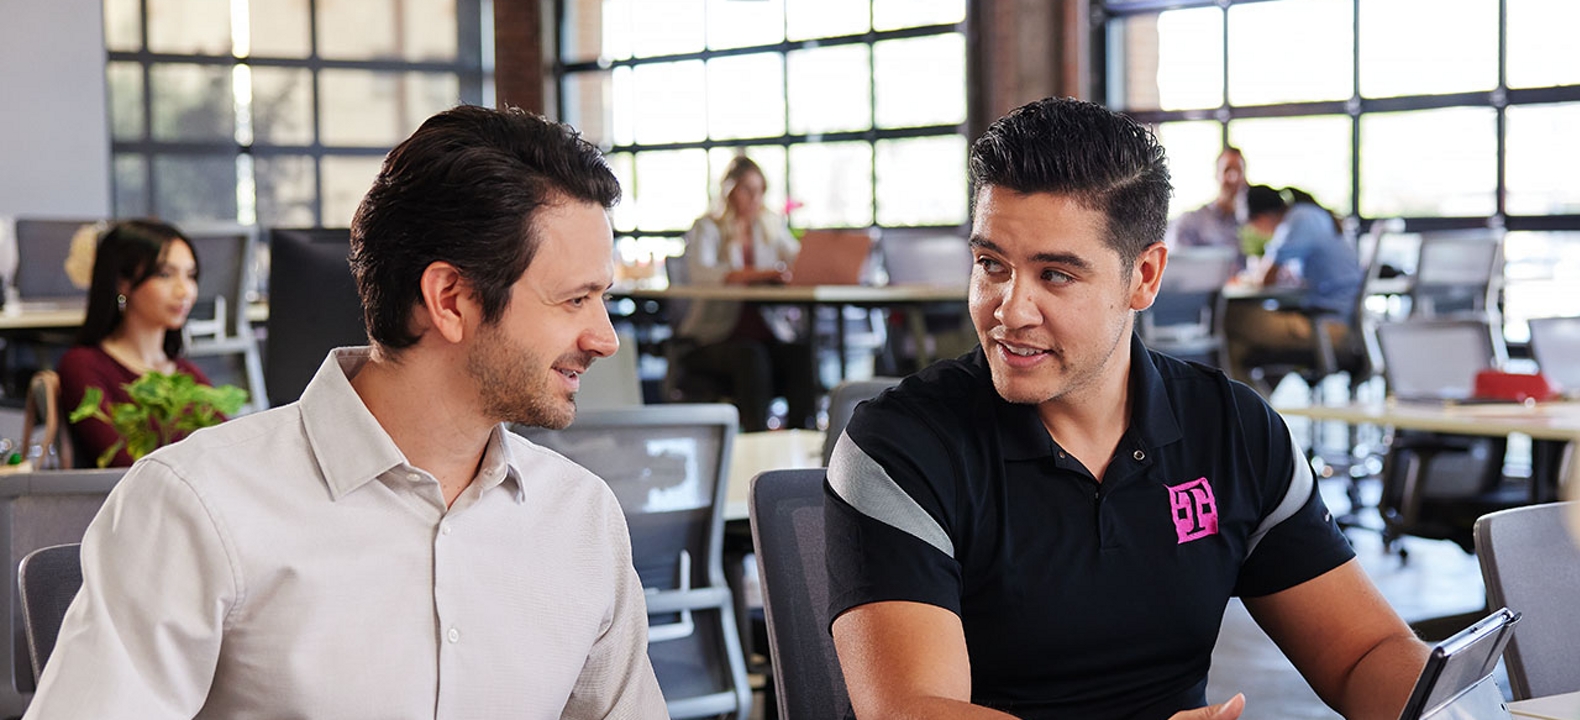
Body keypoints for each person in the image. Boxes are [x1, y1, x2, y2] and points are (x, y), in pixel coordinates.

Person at [25, 106, 666, 718]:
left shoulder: (582, 519)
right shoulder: (195, 506)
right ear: (450, 299)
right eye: (576, 299)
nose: (605, 338)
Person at [824, 97, 1427, 720]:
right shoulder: (899, 445)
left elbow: (1366, 652)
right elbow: (911, 711)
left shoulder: (1232, 429)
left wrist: (1446, 706)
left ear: (1143, 276)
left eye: (1055, 275)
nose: (1009, 310)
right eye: (990, 265)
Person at [673, 154, 816, 431]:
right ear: (730, 191)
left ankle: (803, 436)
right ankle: (756, 436)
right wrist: (763, 274)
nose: (755, 198)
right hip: (712, 337)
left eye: (760, 190)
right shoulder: (708, 227)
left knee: (799, 353)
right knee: (751, 356)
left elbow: (798, 262)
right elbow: (703, 274)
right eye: (747, 190)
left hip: (764, 334)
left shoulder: (770, 226)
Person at [55, 219, 215, 467]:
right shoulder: (83, 366)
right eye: (165, 275)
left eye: (190, 276)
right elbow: (123, 467)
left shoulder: (188, 376)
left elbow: (229, 456)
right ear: (123, 282)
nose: (185, 291)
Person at [1221, 185, 1363, 391]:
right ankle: (1257, 414)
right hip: (1339, 322)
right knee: (1235, 350)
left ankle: (1256, 415)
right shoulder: (1312, 214)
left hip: (1329, 328)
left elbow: (1265, 277)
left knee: (1227, 316)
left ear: (1261, 218)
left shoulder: (1299, 220)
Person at [1167, 146, 1247, 263]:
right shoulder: (1191, 221)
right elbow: (1176, 262)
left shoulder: (1250, 224)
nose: (1233, 178)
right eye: (1227, 170)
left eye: (1238, 171)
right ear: (1217, 175)